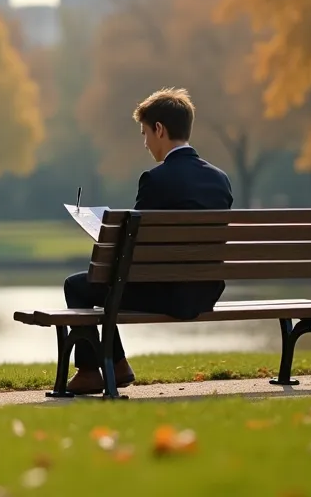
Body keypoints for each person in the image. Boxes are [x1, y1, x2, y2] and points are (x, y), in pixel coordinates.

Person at [62, 87, 233, 395]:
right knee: (100, 282)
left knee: (78, 285)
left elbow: (133, 252)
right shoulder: (220, 179)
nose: (145, 143)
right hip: (205, 292)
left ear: (159, 129)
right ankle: (116, 365)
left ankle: (91, 371)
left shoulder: (155, 179)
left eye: (145, 133)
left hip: (167, 293)